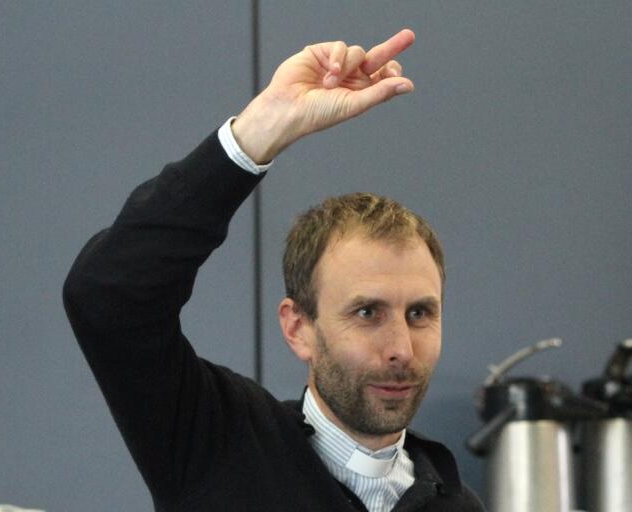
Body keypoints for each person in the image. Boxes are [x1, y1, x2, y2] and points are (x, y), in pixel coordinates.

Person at [63, 29, 484, 512]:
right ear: (297, 326)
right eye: (367, 312)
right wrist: (262, 130)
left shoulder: (454, 502)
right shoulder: (218, 441)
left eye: (419, 314)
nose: (401, 349)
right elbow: (108, 297)